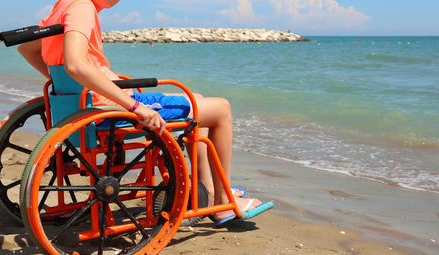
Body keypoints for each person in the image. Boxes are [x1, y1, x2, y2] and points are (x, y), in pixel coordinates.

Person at [18, 0, 271, 223]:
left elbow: (27, 49)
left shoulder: (62, 6)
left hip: (90, 104)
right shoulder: (82, 7)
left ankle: (209, 189)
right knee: (222, 109)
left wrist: (70, 90)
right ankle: (223, 203)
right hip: (112, 108)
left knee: (200, 101)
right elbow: (75, 64)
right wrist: (135, 106)